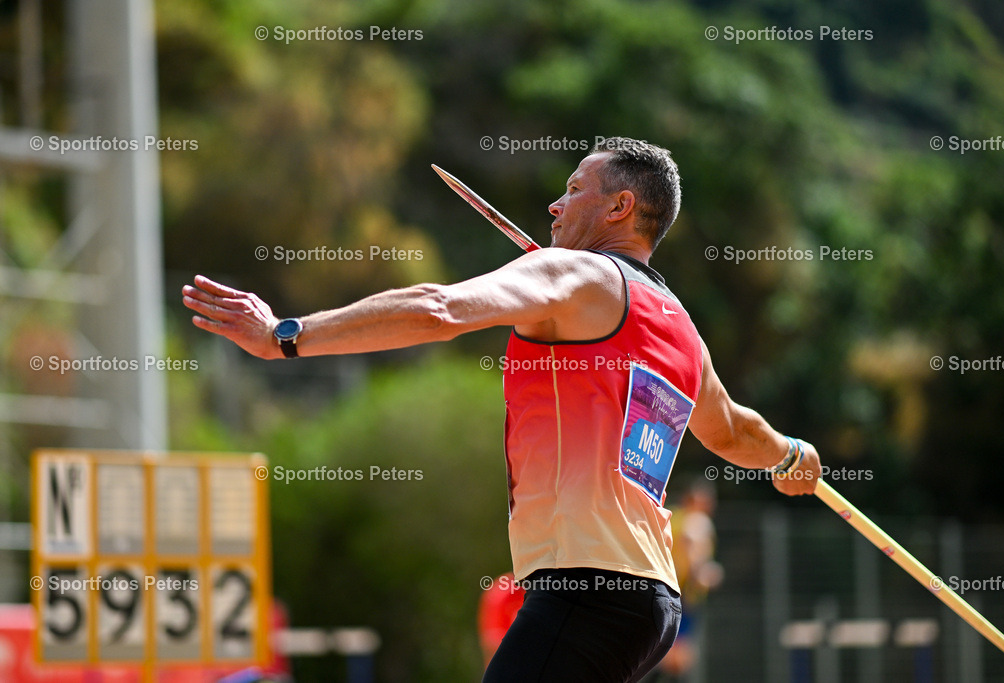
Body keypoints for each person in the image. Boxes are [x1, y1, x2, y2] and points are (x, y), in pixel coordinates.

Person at [182, 137, 822, 682]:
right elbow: (735, 431)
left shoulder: (575, 274)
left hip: (587, 591)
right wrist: (791, 454)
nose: (555, 203)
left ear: (621, 207)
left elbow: (438, 308)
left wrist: (285, 336)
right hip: (650, 603)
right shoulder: (684, 332)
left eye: (574, 188)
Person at [656, 482, 723, 681]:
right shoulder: (695, 521)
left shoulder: (673, 517)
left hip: (678, 592)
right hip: (680, 592)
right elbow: (693, 550)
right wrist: (703, 572)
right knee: (677, 656)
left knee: (672, 654)